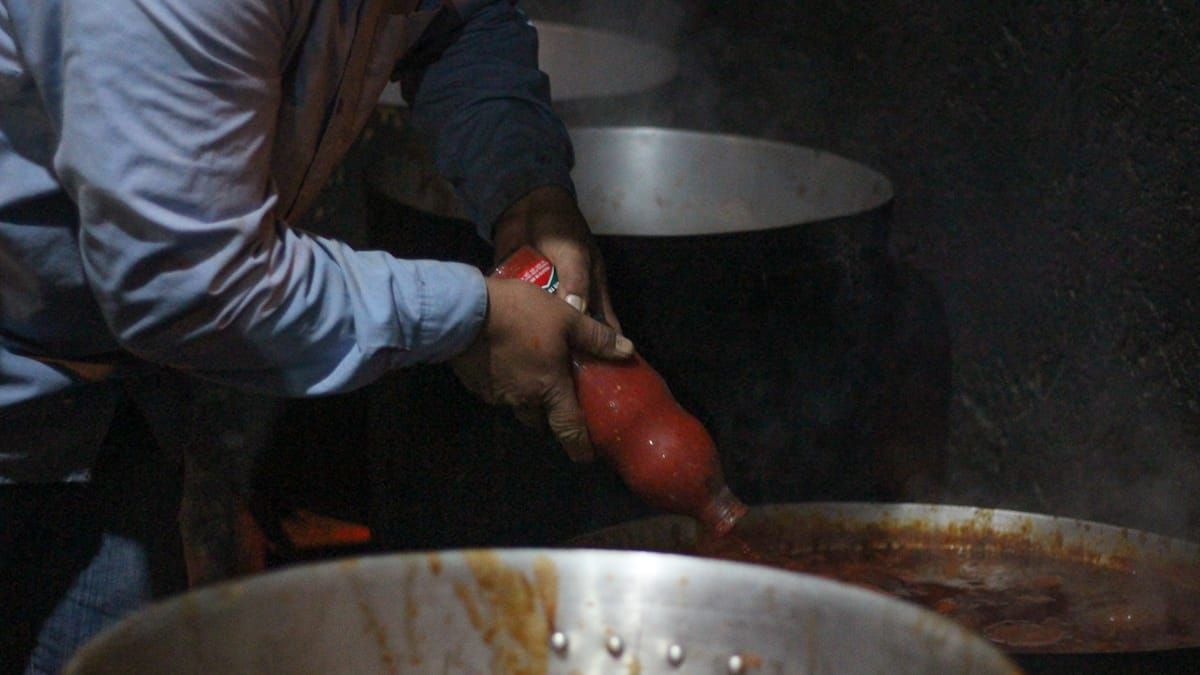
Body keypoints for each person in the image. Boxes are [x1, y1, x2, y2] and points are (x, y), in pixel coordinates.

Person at [0, 0, 630, 671]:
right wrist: (474, 318)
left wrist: (525, 184)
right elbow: (190, 281)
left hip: (113, 403)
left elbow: (463, 20)